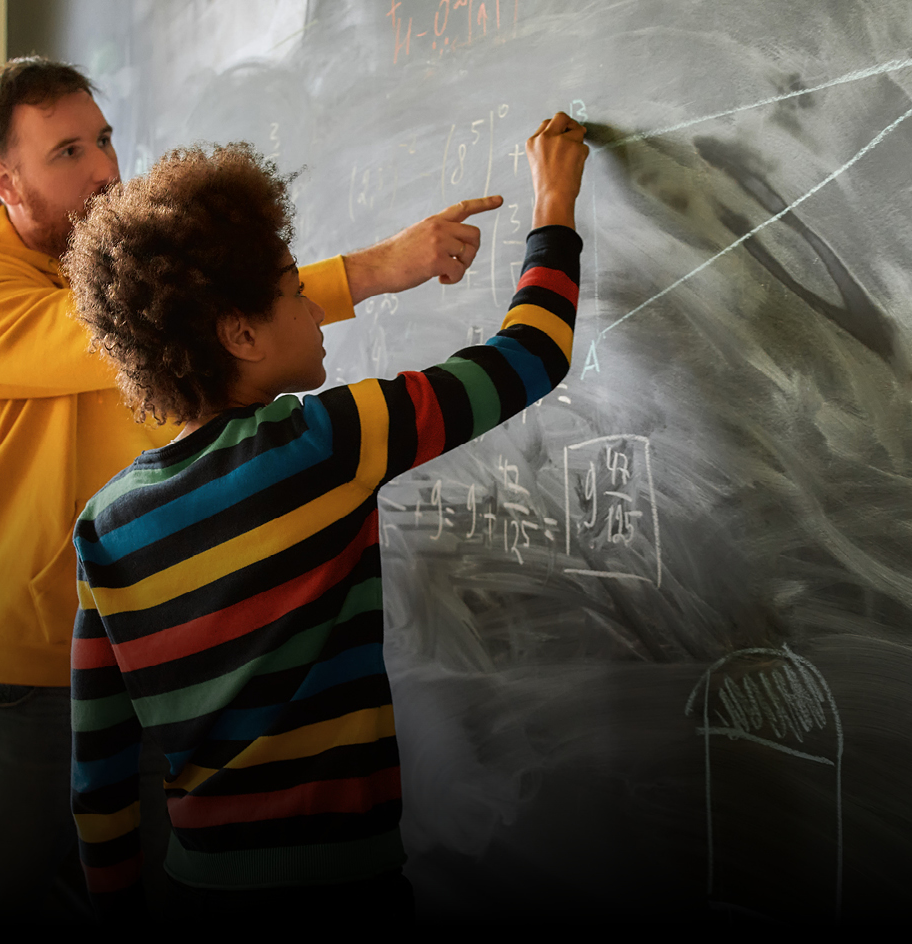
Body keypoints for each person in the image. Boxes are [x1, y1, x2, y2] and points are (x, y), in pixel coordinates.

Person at [0, 56, 502, 919]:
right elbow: (123, 325)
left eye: (105, 140)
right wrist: (375, 268)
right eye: (68, 152)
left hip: (151, 658)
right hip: (18, 671)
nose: (106, 169)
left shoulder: (117, 273)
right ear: (3, 180)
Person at [64, 111, 588, 919]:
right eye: (293, 292)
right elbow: (531, 355)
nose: (315, 310)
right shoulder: (321, 441)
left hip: (198, 887)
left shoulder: (105, 522)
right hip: (340, 888)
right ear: (240, 333)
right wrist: (554, 204)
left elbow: (98, 772)